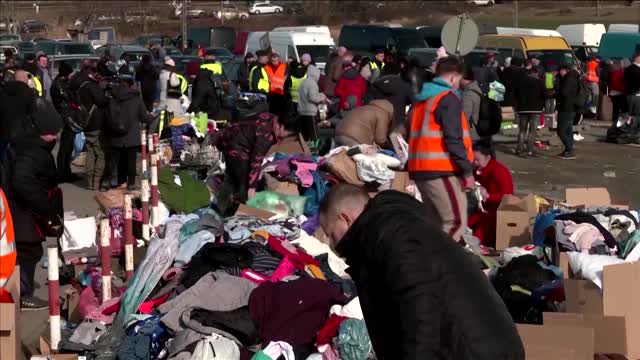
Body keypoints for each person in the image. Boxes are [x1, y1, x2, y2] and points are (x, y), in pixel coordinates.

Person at [318, 184, 525, 360]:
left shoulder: (392, 235)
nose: (332, 244)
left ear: (345, 218)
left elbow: (420, 309)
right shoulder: (391, 229)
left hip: (475, 351)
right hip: (478, 345)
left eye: (331, 234)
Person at [409, 57, 474, 242]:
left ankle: (426, 262)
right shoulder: (447, 98)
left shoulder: (423, 99)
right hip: (441, 169)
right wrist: (466, 171)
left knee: (435, 224)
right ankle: (439, 265)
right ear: (453, 78)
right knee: (455, 222)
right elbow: (454, 138)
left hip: (420, 168)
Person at [9, 97, 64, 310]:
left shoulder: (29, 143)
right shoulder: (31, 151)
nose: (59, 135)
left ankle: (21, 289)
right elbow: (22, 181)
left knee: (27, 251)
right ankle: (22, 294)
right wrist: (44, 207)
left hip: (25, 208)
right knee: (27, 251)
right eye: (56, 131)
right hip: (24, 211)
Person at [215, 113, 298, 214]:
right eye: (287, 134)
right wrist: (251, 188)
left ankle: (220, 208)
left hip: (230, 137)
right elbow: (255, 161)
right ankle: (234, 214)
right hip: (236, 146)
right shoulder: (266, 136)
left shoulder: (271, 118)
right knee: (242, 187)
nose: (285, 138)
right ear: (281, 126)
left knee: (231, 179)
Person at [106, 71, 149, 190]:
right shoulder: (136, 98)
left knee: (118, 161)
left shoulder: (112, 97)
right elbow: (144, 118)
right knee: (131, 161)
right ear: (131, 84)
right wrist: (154, 115)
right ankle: (131, 183)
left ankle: (120, 182)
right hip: (132, 135)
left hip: (116, 135)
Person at [70, 60, 110, 190]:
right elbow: (101, 101)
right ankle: (96, 181)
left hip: (86, 124)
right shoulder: (92, 87)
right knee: (100, 154)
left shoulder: (81, 86)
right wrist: (107, 96)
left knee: (91, 153)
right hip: (96, 124)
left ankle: (90, 182)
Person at [467, 140, 514, 247]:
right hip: (482, 210)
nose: (475, 163)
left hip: (497, 212)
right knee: (465, 224)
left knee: (479, 231)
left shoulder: (499, 171)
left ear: (488, 157)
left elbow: (509, 195)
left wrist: (488, 196)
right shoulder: (478, 171)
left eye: (477, 160)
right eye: (473, 160)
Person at [50, 61, 79, 182]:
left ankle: (66, 171)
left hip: (68, 115)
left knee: (69, 145)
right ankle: (62, 173)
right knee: (65, 146)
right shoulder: (58, 84)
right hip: (65, 116)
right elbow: (69, 97)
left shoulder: (63, 82)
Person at [366, 62, 413, 134]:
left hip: (376, 124)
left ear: (383, 72)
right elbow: (413, 102)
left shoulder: (374, 86)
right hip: (397, 124)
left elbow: (367, 103)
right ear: (399, 73)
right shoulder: (404, 86)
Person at [514, 67, 546, 157]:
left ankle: (519, 149)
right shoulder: (539, 82)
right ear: (535, 73)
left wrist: (517, 106)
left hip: (522, 109)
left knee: (522, 130)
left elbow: (516, 95)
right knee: (532, 131)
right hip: (535, 110)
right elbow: (545, 95)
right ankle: (530, 150)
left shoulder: (520, 82)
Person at [189, 52, 224, 121]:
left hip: (207, 106)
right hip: (216, 96)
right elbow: (223, 78)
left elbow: (197, 98)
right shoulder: (218, 66)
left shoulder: (202, 68)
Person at [556, 63, 580, 160]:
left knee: (561, 130)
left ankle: (569, 149)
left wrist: (557, 92)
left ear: (565, 70)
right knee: (568, 129)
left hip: (566, 107)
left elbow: (564, 92)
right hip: (572, 107)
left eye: (560, 71)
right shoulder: (575, 77)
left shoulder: (568, 78)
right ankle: (568, 149)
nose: (559, 73)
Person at [297, 65, 326, 141]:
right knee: (314, 135)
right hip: (310, 112)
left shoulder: (303, 82)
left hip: (301, 111)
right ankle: (315, 150)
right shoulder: (313, 83)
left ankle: (304, 151)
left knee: (304, 135)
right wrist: (322, 98)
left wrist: (319, 94)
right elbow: (312, 97)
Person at [461, 68, 482, 139]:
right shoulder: (476, 89)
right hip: (476, 131)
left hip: (470, 134)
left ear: (463, 78)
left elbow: (464, 117)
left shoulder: (468, 94)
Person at [265, 53, 287, 120]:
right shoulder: (266, 67)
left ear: (279, 59)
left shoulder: (284, 66)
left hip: (280, 93)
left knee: (280, 113)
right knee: (271, 112)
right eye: (273, 61)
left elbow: (287, 78)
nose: (275, 62)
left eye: (276, 60)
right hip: (270, 93)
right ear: (271, 60)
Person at [608, 58, 627, 123]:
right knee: (622, 109)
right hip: (619, 93)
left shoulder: (613, 73)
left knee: (615, 109)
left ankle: (615, 121)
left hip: (613, 93)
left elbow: (611, 83)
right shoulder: (621, 73)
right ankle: (619, 122)